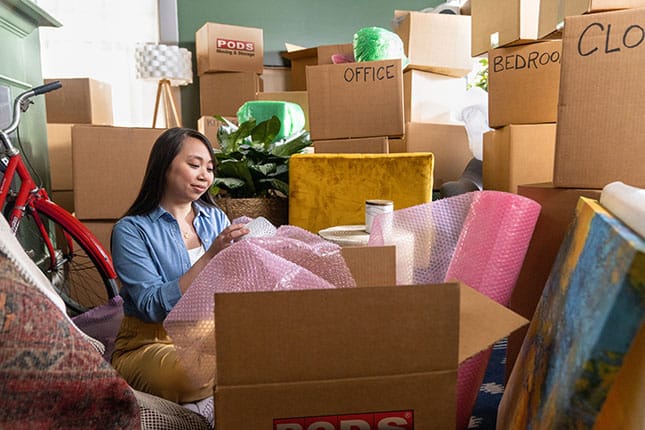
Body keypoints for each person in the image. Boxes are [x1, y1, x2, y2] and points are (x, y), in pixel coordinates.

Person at [110, 127, 248, 404]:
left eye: (210, 168)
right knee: (191, 375)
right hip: (151, 341)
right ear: (164, 166)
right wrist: (210, 257)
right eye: (194, 165)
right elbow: (150, 306)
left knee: (276, 346)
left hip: (209, 333)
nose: (204, 176)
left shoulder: (215, 218)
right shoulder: (131, 230)